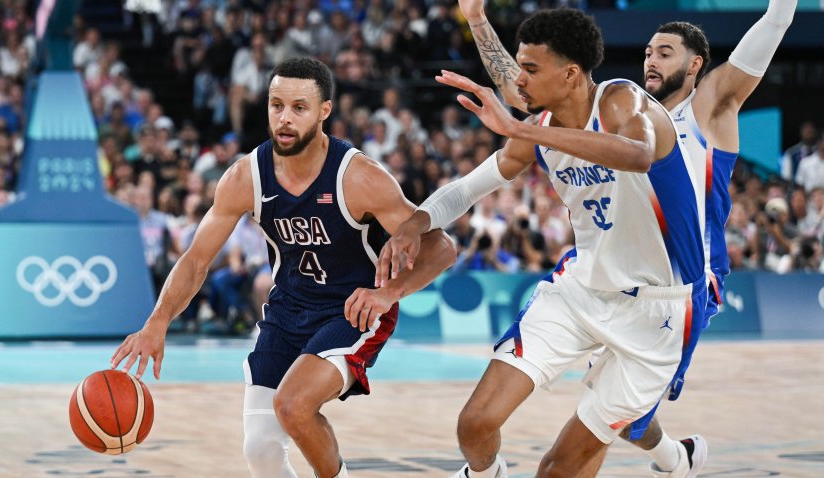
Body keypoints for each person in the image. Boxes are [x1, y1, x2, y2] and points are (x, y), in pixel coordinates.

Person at [458, 0, 797, 474]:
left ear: (696, 64)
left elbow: (777, 21)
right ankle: (679, 458)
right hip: (604, 274)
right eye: (648, 52)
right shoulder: (620, 108)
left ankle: (675, 457)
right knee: (623, 419)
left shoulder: (709, 107)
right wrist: (477, 19)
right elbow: (528, 92)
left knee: (630, 419)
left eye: (665, 52)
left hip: (682, 276)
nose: (651, 60)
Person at [379, 9, 706, 477]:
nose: (520, 80)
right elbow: (469, 188)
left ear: (571, 74)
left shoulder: (619, 98)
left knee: (557, 470)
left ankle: (677, 459)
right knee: (474, 424)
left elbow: (637, 155)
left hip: (657, 312)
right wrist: (417, 221)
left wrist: (521, 128)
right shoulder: (540, 130)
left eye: (531, 70)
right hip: (580, 292)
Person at [110, 57, 456, 478]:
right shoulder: (245, 177)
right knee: (259, 448)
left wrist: (388, 294)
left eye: (298, 107)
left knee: (293, 406)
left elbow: (441, 247)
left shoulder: (359, 177)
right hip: (288, 309)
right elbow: (197, 259)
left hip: (353, 310)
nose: (284, 119)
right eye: (276, 105)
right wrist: (157, 321)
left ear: (324, 111)